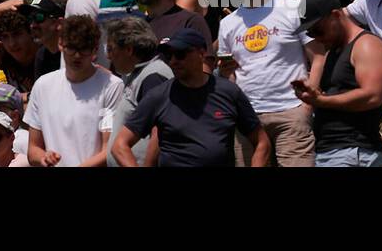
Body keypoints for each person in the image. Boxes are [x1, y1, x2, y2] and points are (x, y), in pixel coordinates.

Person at [216, 0, 318, 166]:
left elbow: (318, 56)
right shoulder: (228, 23)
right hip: (247, 118)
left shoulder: (293, 7)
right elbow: (231, 74)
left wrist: (309, 104)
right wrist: (225, 75)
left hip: (291, 111)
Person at [114, 27, 269, 167]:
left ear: (201, 54)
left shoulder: (229, 92)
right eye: (169, 55)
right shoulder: (159, 96)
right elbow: (120, 145)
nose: (173, 61)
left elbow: (262, 142)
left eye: (180, 54)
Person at [292, 0, 382, 167]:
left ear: (336, 15)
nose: (316, 38)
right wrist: (312, 93)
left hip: (353, 152)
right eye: (310, 34)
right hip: (332, 152)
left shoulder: (367, 45)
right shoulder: (333, 52)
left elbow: (372, 96)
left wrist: (322, 100)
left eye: (318, 30)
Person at [24, 16, 123, 167]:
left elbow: (109, 150)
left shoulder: (112, 86)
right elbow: (33, 149)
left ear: (95, 50)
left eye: (84, 49)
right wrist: (44, 157)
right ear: (60, 44)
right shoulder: (43, 85)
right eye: (71, 48)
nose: (77, 56)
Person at [104, 17, 174, 166]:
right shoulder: (139, 74)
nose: (108, 56)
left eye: (110, 49)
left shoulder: (154, 76)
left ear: (129, 49)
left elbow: (159, 131)